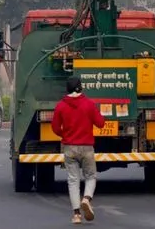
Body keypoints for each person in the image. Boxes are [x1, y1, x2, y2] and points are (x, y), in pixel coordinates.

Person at [51, 76, 106, 224]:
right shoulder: (89, 104)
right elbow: (101, 123)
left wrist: (65, 135)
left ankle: (76, 215)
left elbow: (55, 127)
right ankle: (87, 199)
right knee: (91, 176)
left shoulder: (61, 106)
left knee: (73, 180)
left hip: (69, 147)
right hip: (87, 147)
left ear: (67, 89)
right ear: (80, 88)